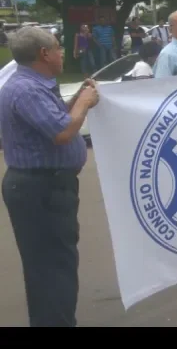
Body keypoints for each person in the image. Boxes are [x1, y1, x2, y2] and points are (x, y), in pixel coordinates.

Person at [0, 27, 100, 327]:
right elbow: (61, 132)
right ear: (44, 54)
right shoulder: (27, 89)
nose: (61, 53)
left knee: (51, 265)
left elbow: (53, 122)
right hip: (42, 188)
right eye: (58, 48)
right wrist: (84, 103)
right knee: (53, 267)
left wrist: (76, 101)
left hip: (46, 186)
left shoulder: (34, 86)